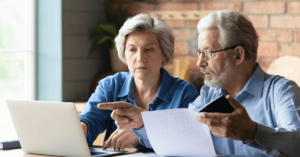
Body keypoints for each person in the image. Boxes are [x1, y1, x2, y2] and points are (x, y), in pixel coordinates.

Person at [98, 10, 300, 157]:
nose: (199, 63)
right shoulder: (209, 94)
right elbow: (178, 138)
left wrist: (253, 133)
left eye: (208, 53)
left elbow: (297, 142)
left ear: (238, 55)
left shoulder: (281, 92)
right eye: (199, 53)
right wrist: (143, 122)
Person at [79, 14, 199, 150]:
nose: (140, 57)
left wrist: (142, 136)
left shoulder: (185, 93)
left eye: (149, 49)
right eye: (132, 50)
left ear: (164, 54)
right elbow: (90, 120)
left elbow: (190, 141)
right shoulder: (110, 86)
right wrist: (81, 129)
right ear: (124, 53)